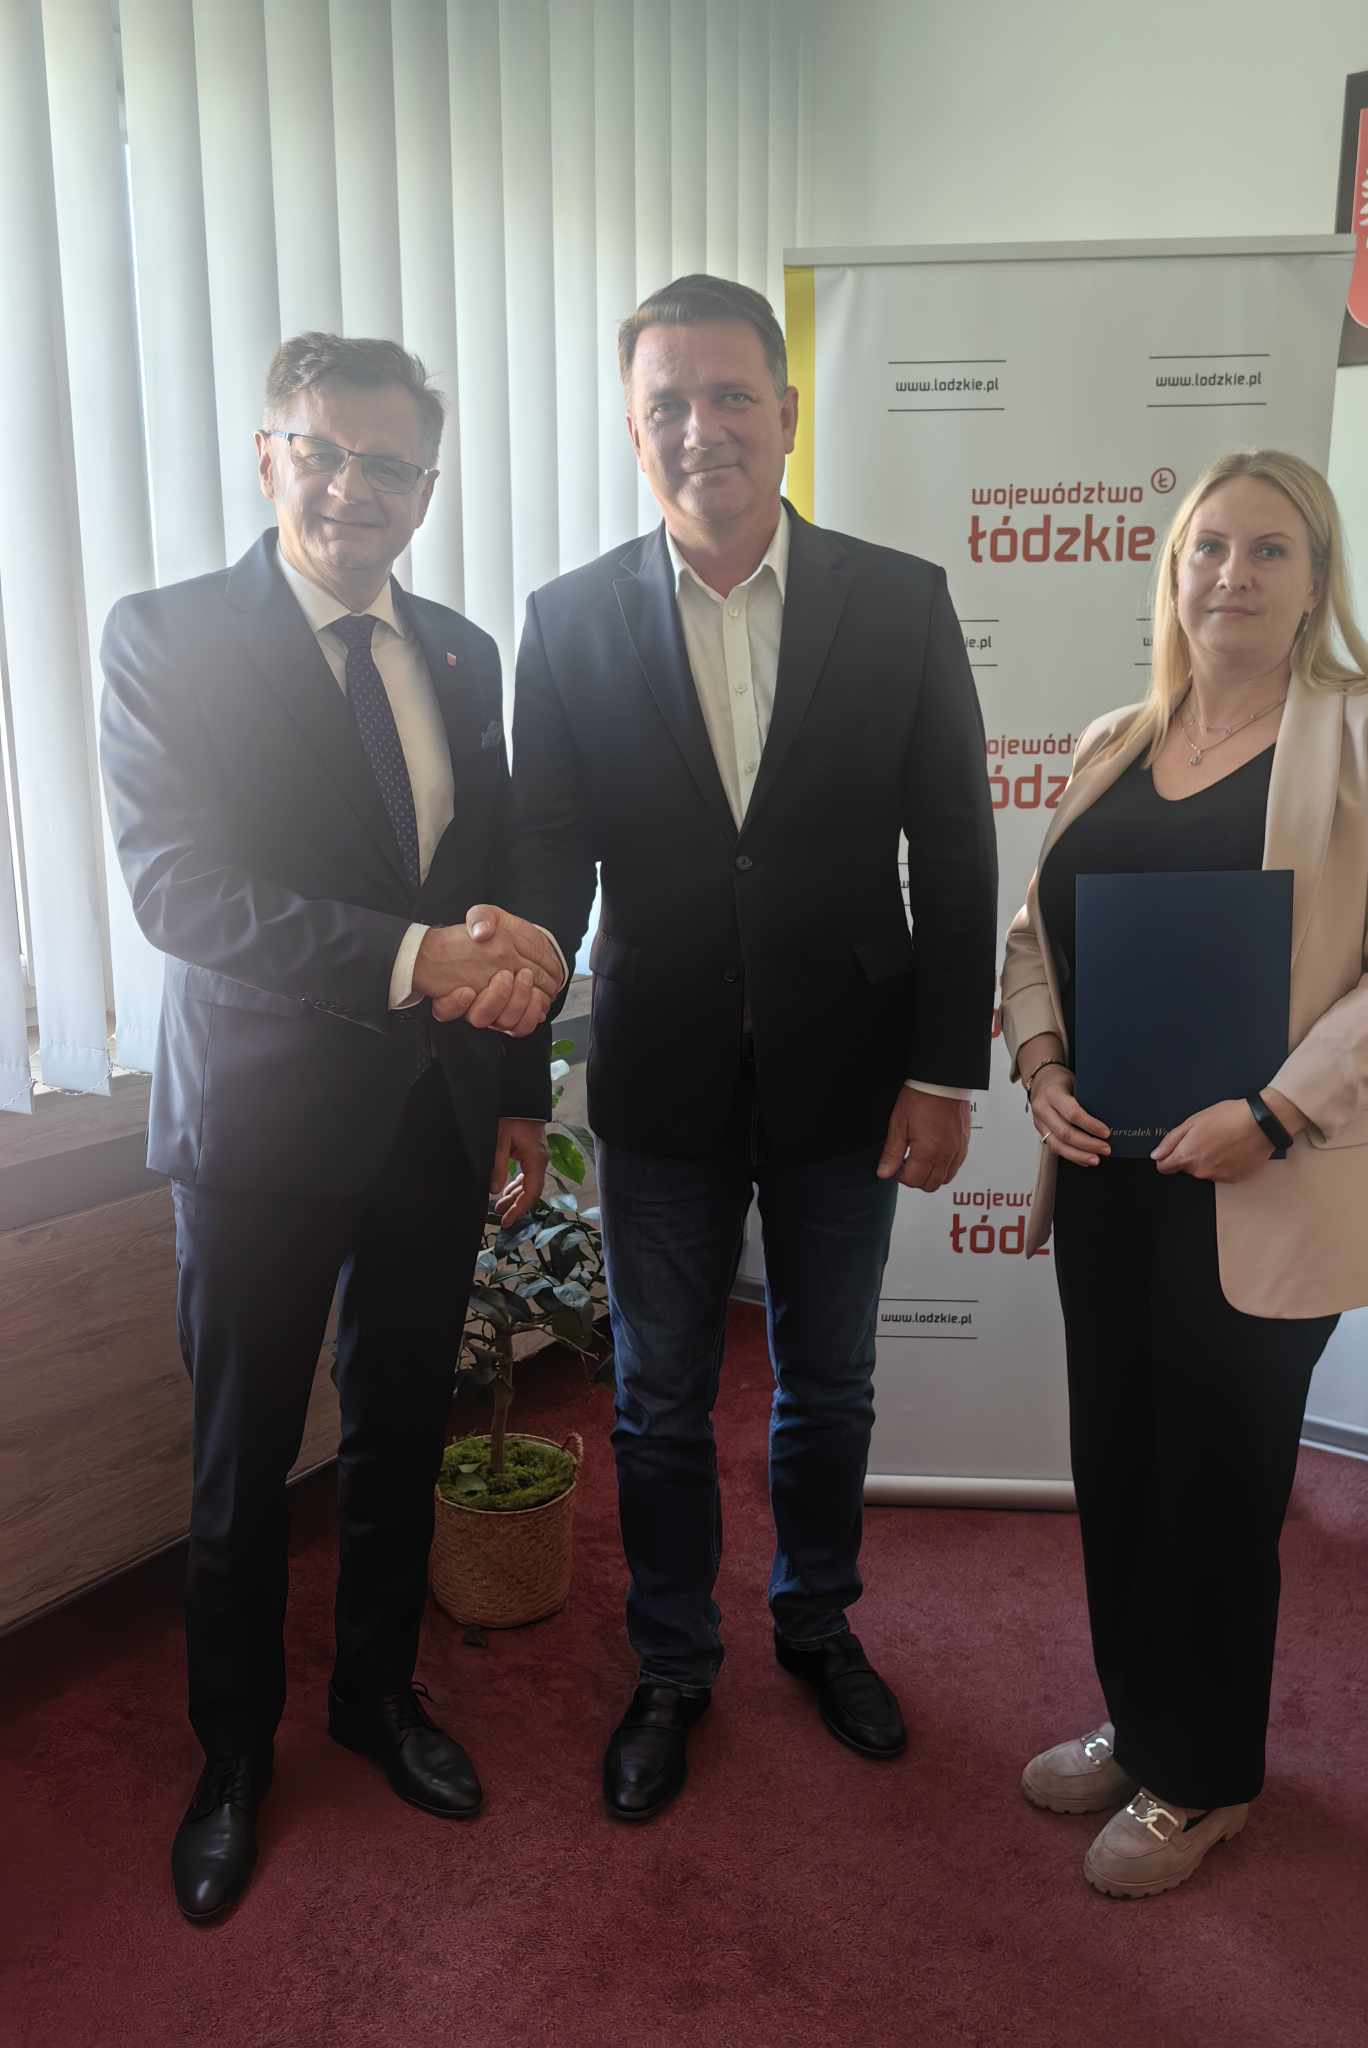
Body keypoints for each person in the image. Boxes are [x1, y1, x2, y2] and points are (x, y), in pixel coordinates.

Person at [442, 274, 997, 1820]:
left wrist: (944, 1069)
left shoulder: (899, 601)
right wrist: (516, 1068)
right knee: (655, 1399)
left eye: (732, 394)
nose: (705, 428)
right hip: (662, 1076)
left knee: (832, 1382)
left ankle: (817, 1624)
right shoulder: (566, 621)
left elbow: (957, 850)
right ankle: (674, 1663)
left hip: (853, 1073)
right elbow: (547, 863)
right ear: (636, 432)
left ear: (787, 413)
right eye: (669, 404)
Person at [98, 334, 564, 1921]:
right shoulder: (167, 637)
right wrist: (412, 960)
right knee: (241, 1466)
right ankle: (234, 1758)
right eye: (324, 452)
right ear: (268, 454)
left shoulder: (462, 654)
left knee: (397, 1436)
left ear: (427, 489)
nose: (353, 489)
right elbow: (180, 892)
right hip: (255, 1130)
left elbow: (492, 880)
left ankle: (375, 1698)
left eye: (390, 466)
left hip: (435, 1120)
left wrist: (520, 1085)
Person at [1000, 448, 1368, 1898]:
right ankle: (1142, 1724)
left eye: (1270, 550)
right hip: (1112, 1176)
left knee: (1218, 1481)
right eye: (1209, 547)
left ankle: (1204, 1778)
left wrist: (1273, 1112)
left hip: (1263, 1178)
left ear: (1317, 581)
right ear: (1172, 571)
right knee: (1119, 1465)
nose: (1233, 575)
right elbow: (1033, 938)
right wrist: (1042, 1067)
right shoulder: (1112, 741)